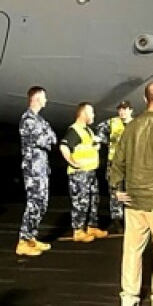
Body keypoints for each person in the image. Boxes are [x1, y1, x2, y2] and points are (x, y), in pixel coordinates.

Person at [110, 84, 153, 306]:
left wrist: (115, 188)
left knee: (131, 251)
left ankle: (128, 297)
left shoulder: (132, 127)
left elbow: (117, 161)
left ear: (144, 98)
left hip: (133, 197)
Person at [18, 86, 57, 257]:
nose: (46, 101)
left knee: (42, 202)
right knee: (34, 202)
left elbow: (53, 138)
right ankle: (23, 240)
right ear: (36, 98)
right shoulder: (27, 119)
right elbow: (41, 140)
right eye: (44, 97)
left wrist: (46, 137)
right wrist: (46, 138)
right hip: (33, 167)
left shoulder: (40, 120)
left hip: (41, 167)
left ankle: (32, 237)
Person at [61, 102, 108, 242]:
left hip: (90, 172)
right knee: (80, 202)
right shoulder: (75, 131)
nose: (93, 115)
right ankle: (78, 230)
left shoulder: (87, 130)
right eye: (91, 112)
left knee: (93, 200)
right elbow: (64, 147)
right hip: (80, 174)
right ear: (84, 114)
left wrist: (95, 147)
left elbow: (86, 146)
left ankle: (92, 226)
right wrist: (73, 163)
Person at [97, 101, 134, 234]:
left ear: (131, 110)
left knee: (130, 189)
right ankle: (116, 220)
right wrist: (105, 142)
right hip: (114, 162)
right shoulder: (111, 123)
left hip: (131, 162)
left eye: (124, 109)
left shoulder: (136, 124)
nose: (122, 112)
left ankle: (130, 219)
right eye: (120, 109)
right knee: (115, 190)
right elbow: (99, 131)